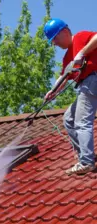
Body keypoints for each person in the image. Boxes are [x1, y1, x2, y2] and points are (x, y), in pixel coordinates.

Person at [44, 18, 97, 175]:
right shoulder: (67, 58)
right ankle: (84, 156)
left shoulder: (80, 37)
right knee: (69, 119)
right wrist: (52, 91)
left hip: (92, 80)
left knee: (82, 121)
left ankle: (87, 161)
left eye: (55, 38)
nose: (54, 43)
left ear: (65, 32)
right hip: (85, 85)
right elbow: (64, 76)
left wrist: (82, 52)